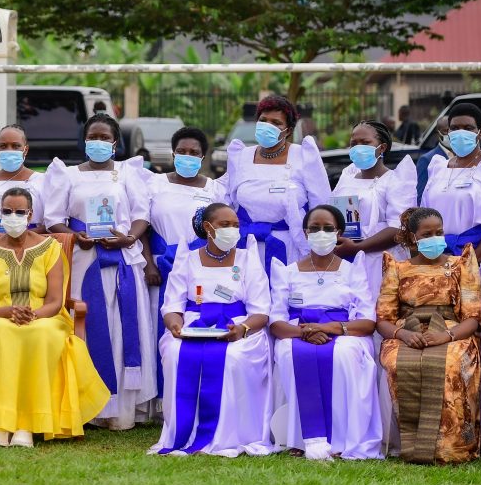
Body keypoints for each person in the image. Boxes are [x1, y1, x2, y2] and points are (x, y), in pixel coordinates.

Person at [0, 188, 110, 447]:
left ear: (30, 215)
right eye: (6, 211)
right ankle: (0, 425)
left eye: (19, 212)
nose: (12, 216)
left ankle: (27, 424)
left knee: (40, 333)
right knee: (1, 333)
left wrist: (33, 315)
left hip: (45, 316)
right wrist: (7, 312)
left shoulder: (50, 248)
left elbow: (55, 302)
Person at [44, 114, 157, 430]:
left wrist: (129, 237)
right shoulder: (67, 175)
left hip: (122, 259)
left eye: (104, 137)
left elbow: (140, 215)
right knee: (88, 325)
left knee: (122, 328)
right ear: (84, 140)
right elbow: (53, 217)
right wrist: (72, 234)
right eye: (92, 136)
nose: (98, 142)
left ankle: (121, 409)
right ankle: (89, 407)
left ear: (115, 142)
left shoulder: (128, 172)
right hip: (84, 261)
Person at [151, 203, 273, 457]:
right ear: (208, 228)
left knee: (234, 356)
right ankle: (183, 431)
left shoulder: (248, 258)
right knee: (175, 351)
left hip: (238, 323)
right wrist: (174, 325)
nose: (233, 230)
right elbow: (172, 306)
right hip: (194, 323)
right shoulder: (187, 259)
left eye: (236, 225)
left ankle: (231, 434)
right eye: (225, 225)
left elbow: (261, 311)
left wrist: (243, 328)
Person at [420, 102, 481, 410]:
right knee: (440, 334)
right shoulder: (436, 167)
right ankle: (448, 417)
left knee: (479, 337)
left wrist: (468, 263)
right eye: (453, 128)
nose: (459, 133)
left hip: (479, 263)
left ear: (480, 133)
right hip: (438, 261)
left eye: (467, 128)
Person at [270, 205, 382, 460]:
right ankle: (299, 437)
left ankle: (342, 438)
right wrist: (304, 333)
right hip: (298, 332)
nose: (321, 233)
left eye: (328, 229)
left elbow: (367, 322)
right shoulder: (287, 271)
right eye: (315, 228)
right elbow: (276, 322)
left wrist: (331, 329)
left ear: (339, 232)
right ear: (305, 233)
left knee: (343, 355)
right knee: (289, 354)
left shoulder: (353, 270)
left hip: (342, 332)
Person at [376, 208, 481, 464]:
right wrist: (402, 334)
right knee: (396, 363)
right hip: (406, 331)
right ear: (413, 238)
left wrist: (446, 336)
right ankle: (410, 446)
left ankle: (452, 448)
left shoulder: (461, 263)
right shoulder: (397, 268)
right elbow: (383, 320)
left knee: (449, 364)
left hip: (453, 332)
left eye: (439, 232)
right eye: (427, 234)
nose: (435, 238)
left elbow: (473, 318)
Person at [140, 126, 227, 399]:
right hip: (161, 264)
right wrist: (149, 264)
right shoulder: (154, 183)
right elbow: (143, 227)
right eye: (182, 151)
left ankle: (189, 392)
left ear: (203, 157)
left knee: (191, 321)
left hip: (198, 266)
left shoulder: (215, 189)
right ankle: (158, 396)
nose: (187, 156)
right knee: (157, 326)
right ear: (173, 153)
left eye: (194, 153)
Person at [221, 95, 330, 282]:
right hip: (246, 245)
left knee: (285, 300)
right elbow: (228, 202)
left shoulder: (303, 155)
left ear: (288, 130)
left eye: (276, 123)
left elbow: (322, 204)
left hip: (290, 245)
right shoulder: (241, 156)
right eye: (263, 120)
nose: (268, 126)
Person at [331, 120, 416, 298]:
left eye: (365, 142)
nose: (358, 147)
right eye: (353, 143)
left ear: (382, 147)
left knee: (379, 309)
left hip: (380, 261)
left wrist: (358, 247)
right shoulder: (347, 177)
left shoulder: (395, 181)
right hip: (345, 258)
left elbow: (399, 228)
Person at [415, 115, 451, 202]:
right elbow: (421, 196)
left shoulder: (462, 156)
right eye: (446, 131)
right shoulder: (427, 160)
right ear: (438, 133)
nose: (450, 134)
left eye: (453, 130)